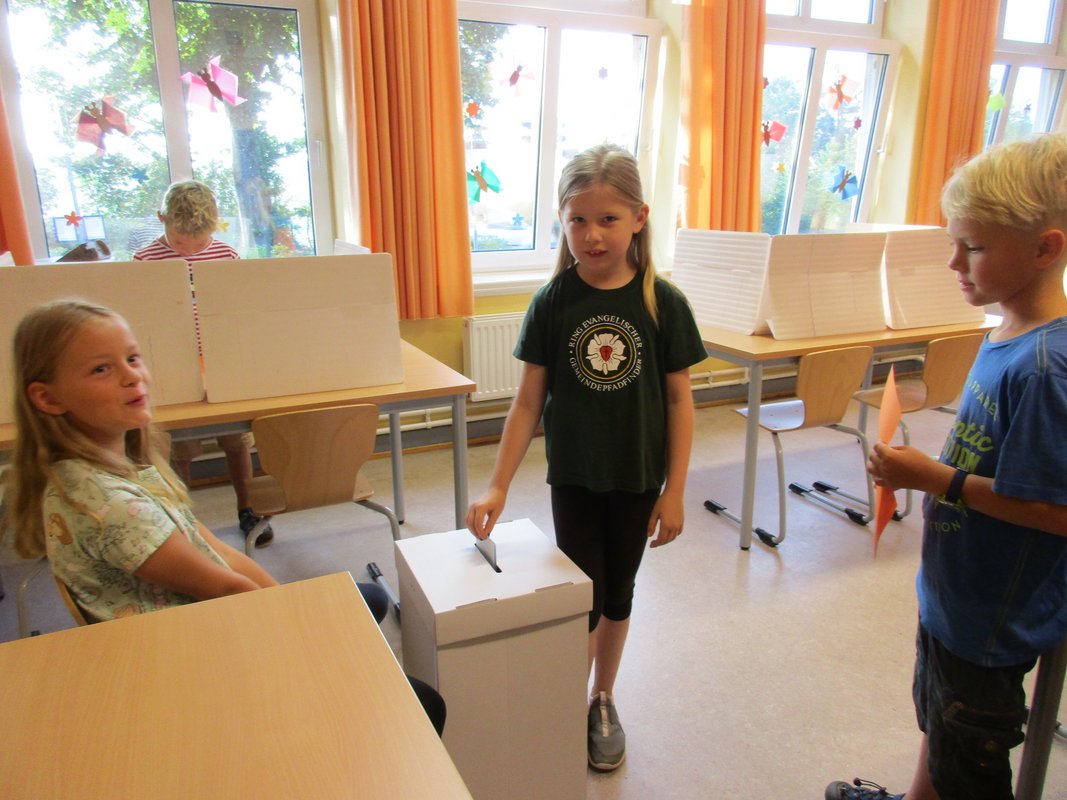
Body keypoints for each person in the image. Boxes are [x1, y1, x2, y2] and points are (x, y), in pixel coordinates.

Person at [5, 299, 445, 735]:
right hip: (192, 659)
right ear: (48, 397)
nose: (131, 376)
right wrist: (307, 638)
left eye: (133, 358)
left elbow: (215, 550)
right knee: (422, 701)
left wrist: (291, 604)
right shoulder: (107, 503)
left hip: (198, 628)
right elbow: (225, 588)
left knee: (367, 599)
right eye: (101, 369)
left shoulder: (124, 467)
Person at [827, 132, 1067, 800]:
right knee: (942, 722)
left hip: (993, 617)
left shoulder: (1045, 368)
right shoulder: (1007, 331)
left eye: (975, 247)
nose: (953, 261)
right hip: (958, 594)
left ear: (1045, 248)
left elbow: (1054, 510)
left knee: (967, 750)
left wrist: (933, 478)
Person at [465, 143, 707, 771]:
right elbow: (527, 404)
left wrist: (675, 490)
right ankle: (559, 696)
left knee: (618, 591)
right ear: (562, 221)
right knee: (582, 596)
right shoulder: (553, 302)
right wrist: (497, 485)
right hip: (574, 478)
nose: (593, 234)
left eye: (608, 219)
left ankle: (602, 696)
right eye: (578, 219)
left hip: (637, 479)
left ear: (639, 218)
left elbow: (680, 402)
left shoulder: (664, 303)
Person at [133, 179, 272, 547]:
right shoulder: (146, 260)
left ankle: (247, 508)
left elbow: (241, 306)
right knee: (181, 448)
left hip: (220, 359)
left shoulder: (225, 254)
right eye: (181, 243)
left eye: (199, 244)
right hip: (174, 363)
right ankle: (183, 516)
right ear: (161, 219)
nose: (190, 251)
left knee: (237, 441)